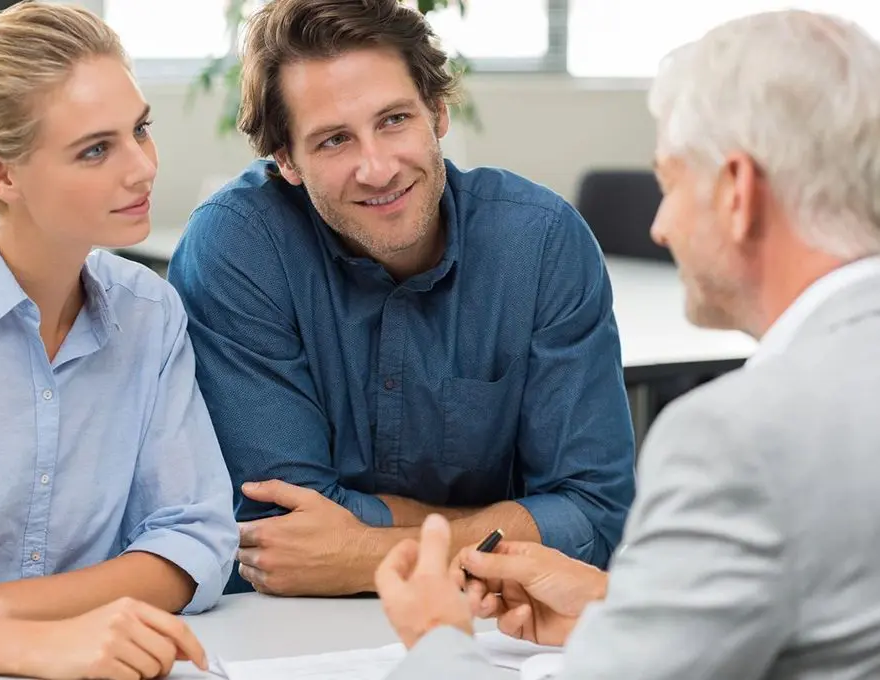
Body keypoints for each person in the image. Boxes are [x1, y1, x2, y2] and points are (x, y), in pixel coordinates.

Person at [376, 9, 880, 679]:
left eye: (670, 184)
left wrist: (437, 639)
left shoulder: (738, 440)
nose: (661, 226)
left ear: (737, 192)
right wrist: (619, 612)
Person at [167, 0, 635, 597]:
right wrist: (511, 524)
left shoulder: (540, 244)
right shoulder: (240, 245)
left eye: (393, 120)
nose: (377, 168)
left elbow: (597, 514)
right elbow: (283, 536)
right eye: (335, 140)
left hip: (497, 630)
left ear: (437, 112)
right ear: (286, 159)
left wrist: (369, 554)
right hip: (285, 637)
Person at [0, 3, 237, 678]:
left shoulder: (149, 313)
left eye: (140, 130)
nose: (142, 168)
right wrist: (23, 644)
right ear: (0, 174)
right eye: (96, 149)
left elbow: (195, 539)